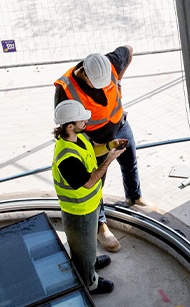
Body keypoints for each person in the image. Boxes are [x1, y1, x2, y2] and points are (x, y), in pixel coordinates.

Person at [54, 45, 141, 251]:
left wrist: (118, 81)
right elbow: (66, 125)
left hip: (120, 126)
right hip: (97, 143)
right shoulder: (66, 90)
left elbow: (128, 50)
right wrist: (93, 147)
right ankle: (100, 226)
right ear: (84, 72)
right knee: (95, 185)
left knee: (130, 163)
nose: (103, 88)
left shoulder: (108, 64)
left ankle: (134, 196)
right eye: (97, 84)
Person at [53, 99, 125, 295]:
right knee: (82, 249)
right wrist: (109, 160)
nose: (86, 122)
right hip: (79, 211)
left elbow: (92, 149)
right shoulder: (67, 159)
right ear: (70, 126)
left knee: (87, 245)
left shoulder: (78, 137)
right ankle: (90, 282)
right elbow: (90, 181)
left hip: (89, 205)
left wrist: (110, 145)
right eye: (82, 120)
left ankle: (90, 262)